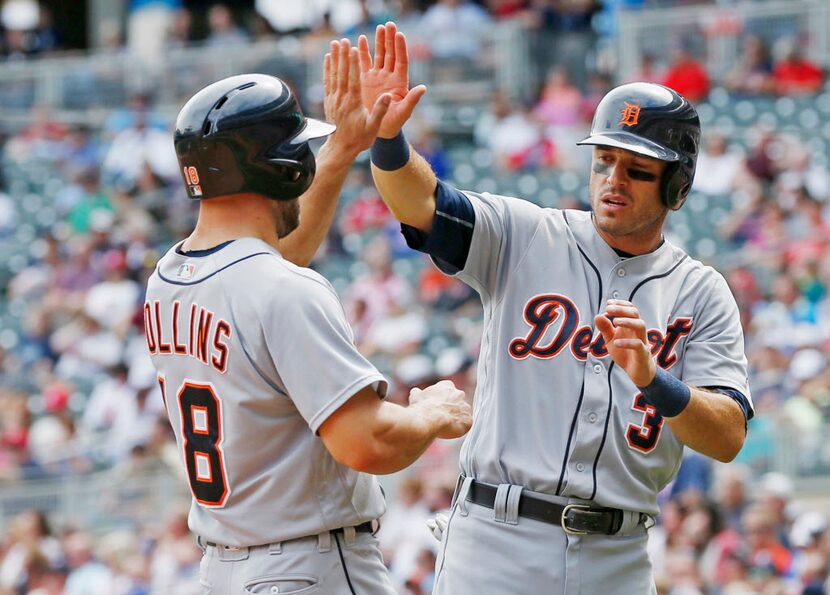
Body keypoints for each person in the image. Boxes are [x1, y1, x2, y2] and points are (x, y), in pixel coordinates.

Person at [349, 21, 753, 594]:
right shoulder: (525, 233)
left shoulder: (701, 291)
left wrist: (654, 380)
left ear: (678, 189)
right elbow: (420, 204)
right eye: (604, 161)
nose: (614, 180)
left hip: (617, 554)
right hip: (496, 539)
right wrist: (388, 142)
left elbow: (728, 436)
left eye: (638, 170)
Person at [144, 42, 472, 595]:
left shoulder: (167, 279)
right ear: (283, 169)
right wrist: (432, 414)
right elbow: (367, 443)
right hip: (306, 568)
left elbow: (272, 265)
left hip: (222, 570)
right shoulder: (282, 290)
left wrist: (343, 146)